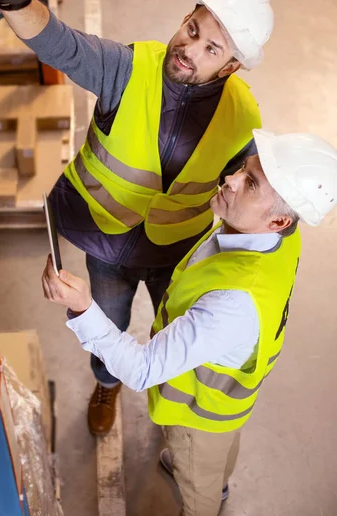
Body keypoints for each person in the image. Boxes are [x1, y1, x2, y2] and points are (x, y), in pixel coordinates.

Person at [0, 0, 274, 434]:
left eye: (211, 50)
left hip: (177, 254)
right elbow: (61, 43)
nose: (188, 50)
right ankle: (107, 385)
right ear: (185, 18)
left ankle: (167, 401)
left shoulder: (243, 116)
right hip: (108, 244)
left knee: (172, 338)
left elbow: (255, 195)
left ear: (231, 66)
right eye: (192, 30)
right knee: (105, 326)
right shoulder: (128, 68)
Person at [41, 129, 337, 516]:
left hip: (197, 419)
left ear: (279, 219)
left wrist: (82, 308)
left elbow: (143, 368)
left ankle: (207, 495)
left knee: (198, 487)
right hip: (227, 402)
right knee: (220, 455)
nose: (229, 180)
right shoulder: (277, 236)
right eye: (244, 170)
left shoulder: (231, 306)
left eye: (250, 184)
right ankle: (218, 480)